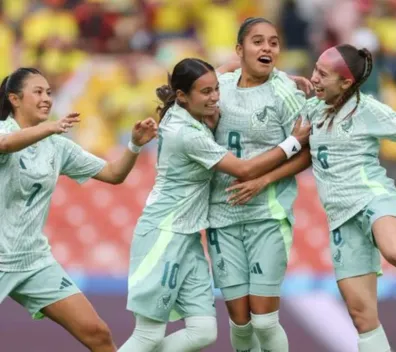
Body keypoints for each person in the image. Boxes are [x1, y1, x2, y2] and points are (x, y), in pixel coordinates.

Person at [226, 44, 396, 352]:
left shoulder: (366, 109)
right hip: (341, 217)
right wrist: (263, 179)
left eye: (323, 74)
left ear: (346, 83)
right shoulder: (311, 109)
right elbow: (305, 154)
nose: (315, 77)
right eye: (315, 69)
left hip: (372, 198)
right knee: (361, 316)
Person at [119, 58, 310, 352]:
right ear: (182, 96)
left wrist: (281, 78)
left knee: (203, 332)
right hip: (163, 233)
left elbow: (237, 62)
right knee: (148, 337)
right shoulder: (187, 133)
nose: (215, 97)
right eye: (206, 92)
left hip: (190, 237)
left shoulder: (188, 101)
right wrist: (293, 142)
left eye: (216, 89)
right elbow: (244, 170)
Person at [0, 68, 158, 351]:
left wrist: (134, 145)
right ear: (14, 98)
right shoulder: (5, 132)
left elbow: (113, 174)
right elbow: (5, 145)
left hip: (34, 261)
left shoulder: (58, 146)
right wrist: (49, 128)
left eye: (49, 92)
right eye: (38, 92)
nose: (47, 98)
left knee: (97, 333)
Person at [206, 17, 312, 352]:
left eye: (274, 42)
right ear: (239, 49)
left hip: (268, 213)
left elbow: (307, 152)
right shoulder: (218, 86)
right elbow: (195, 79)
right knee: (239, 321)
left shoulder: (286, 93)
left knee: (264, 320)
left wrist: (263, 180)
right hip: (221, 216)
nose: (267, 48)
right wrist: (225, 68)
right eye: (257, 41)